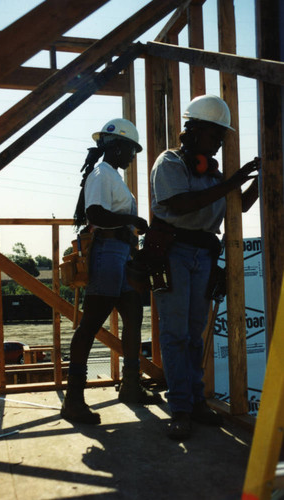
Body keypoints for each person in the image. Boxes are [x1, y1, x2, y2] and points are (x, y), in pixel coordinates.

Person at [150, 94, 260, 440]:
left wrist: (260, 177)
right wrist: (235, 178)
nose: (218, 144)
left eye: (222, 138)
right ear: (194, 131)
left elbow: (237, 206)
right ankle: (180, 407)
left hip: (203, 255)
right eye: (215, 136)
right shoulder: (170, 163)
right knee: (175, 333)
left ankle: (197, 401)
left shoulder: (212, 172)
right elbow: (181, 204)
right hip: (175, 252)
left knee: (195, 334)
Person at [61, 118, 163, 425]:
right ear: (117, 146)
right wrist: (131, 223)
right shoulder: (102, 174)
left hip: (120, 255)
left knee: (133, 313)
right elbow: (95, 214)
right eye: (131, 150)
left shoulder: (112, 176)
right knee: (90, 323)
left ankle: (130, 384)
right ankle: (74, 400)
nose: (132, 156)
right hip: (107, 253)